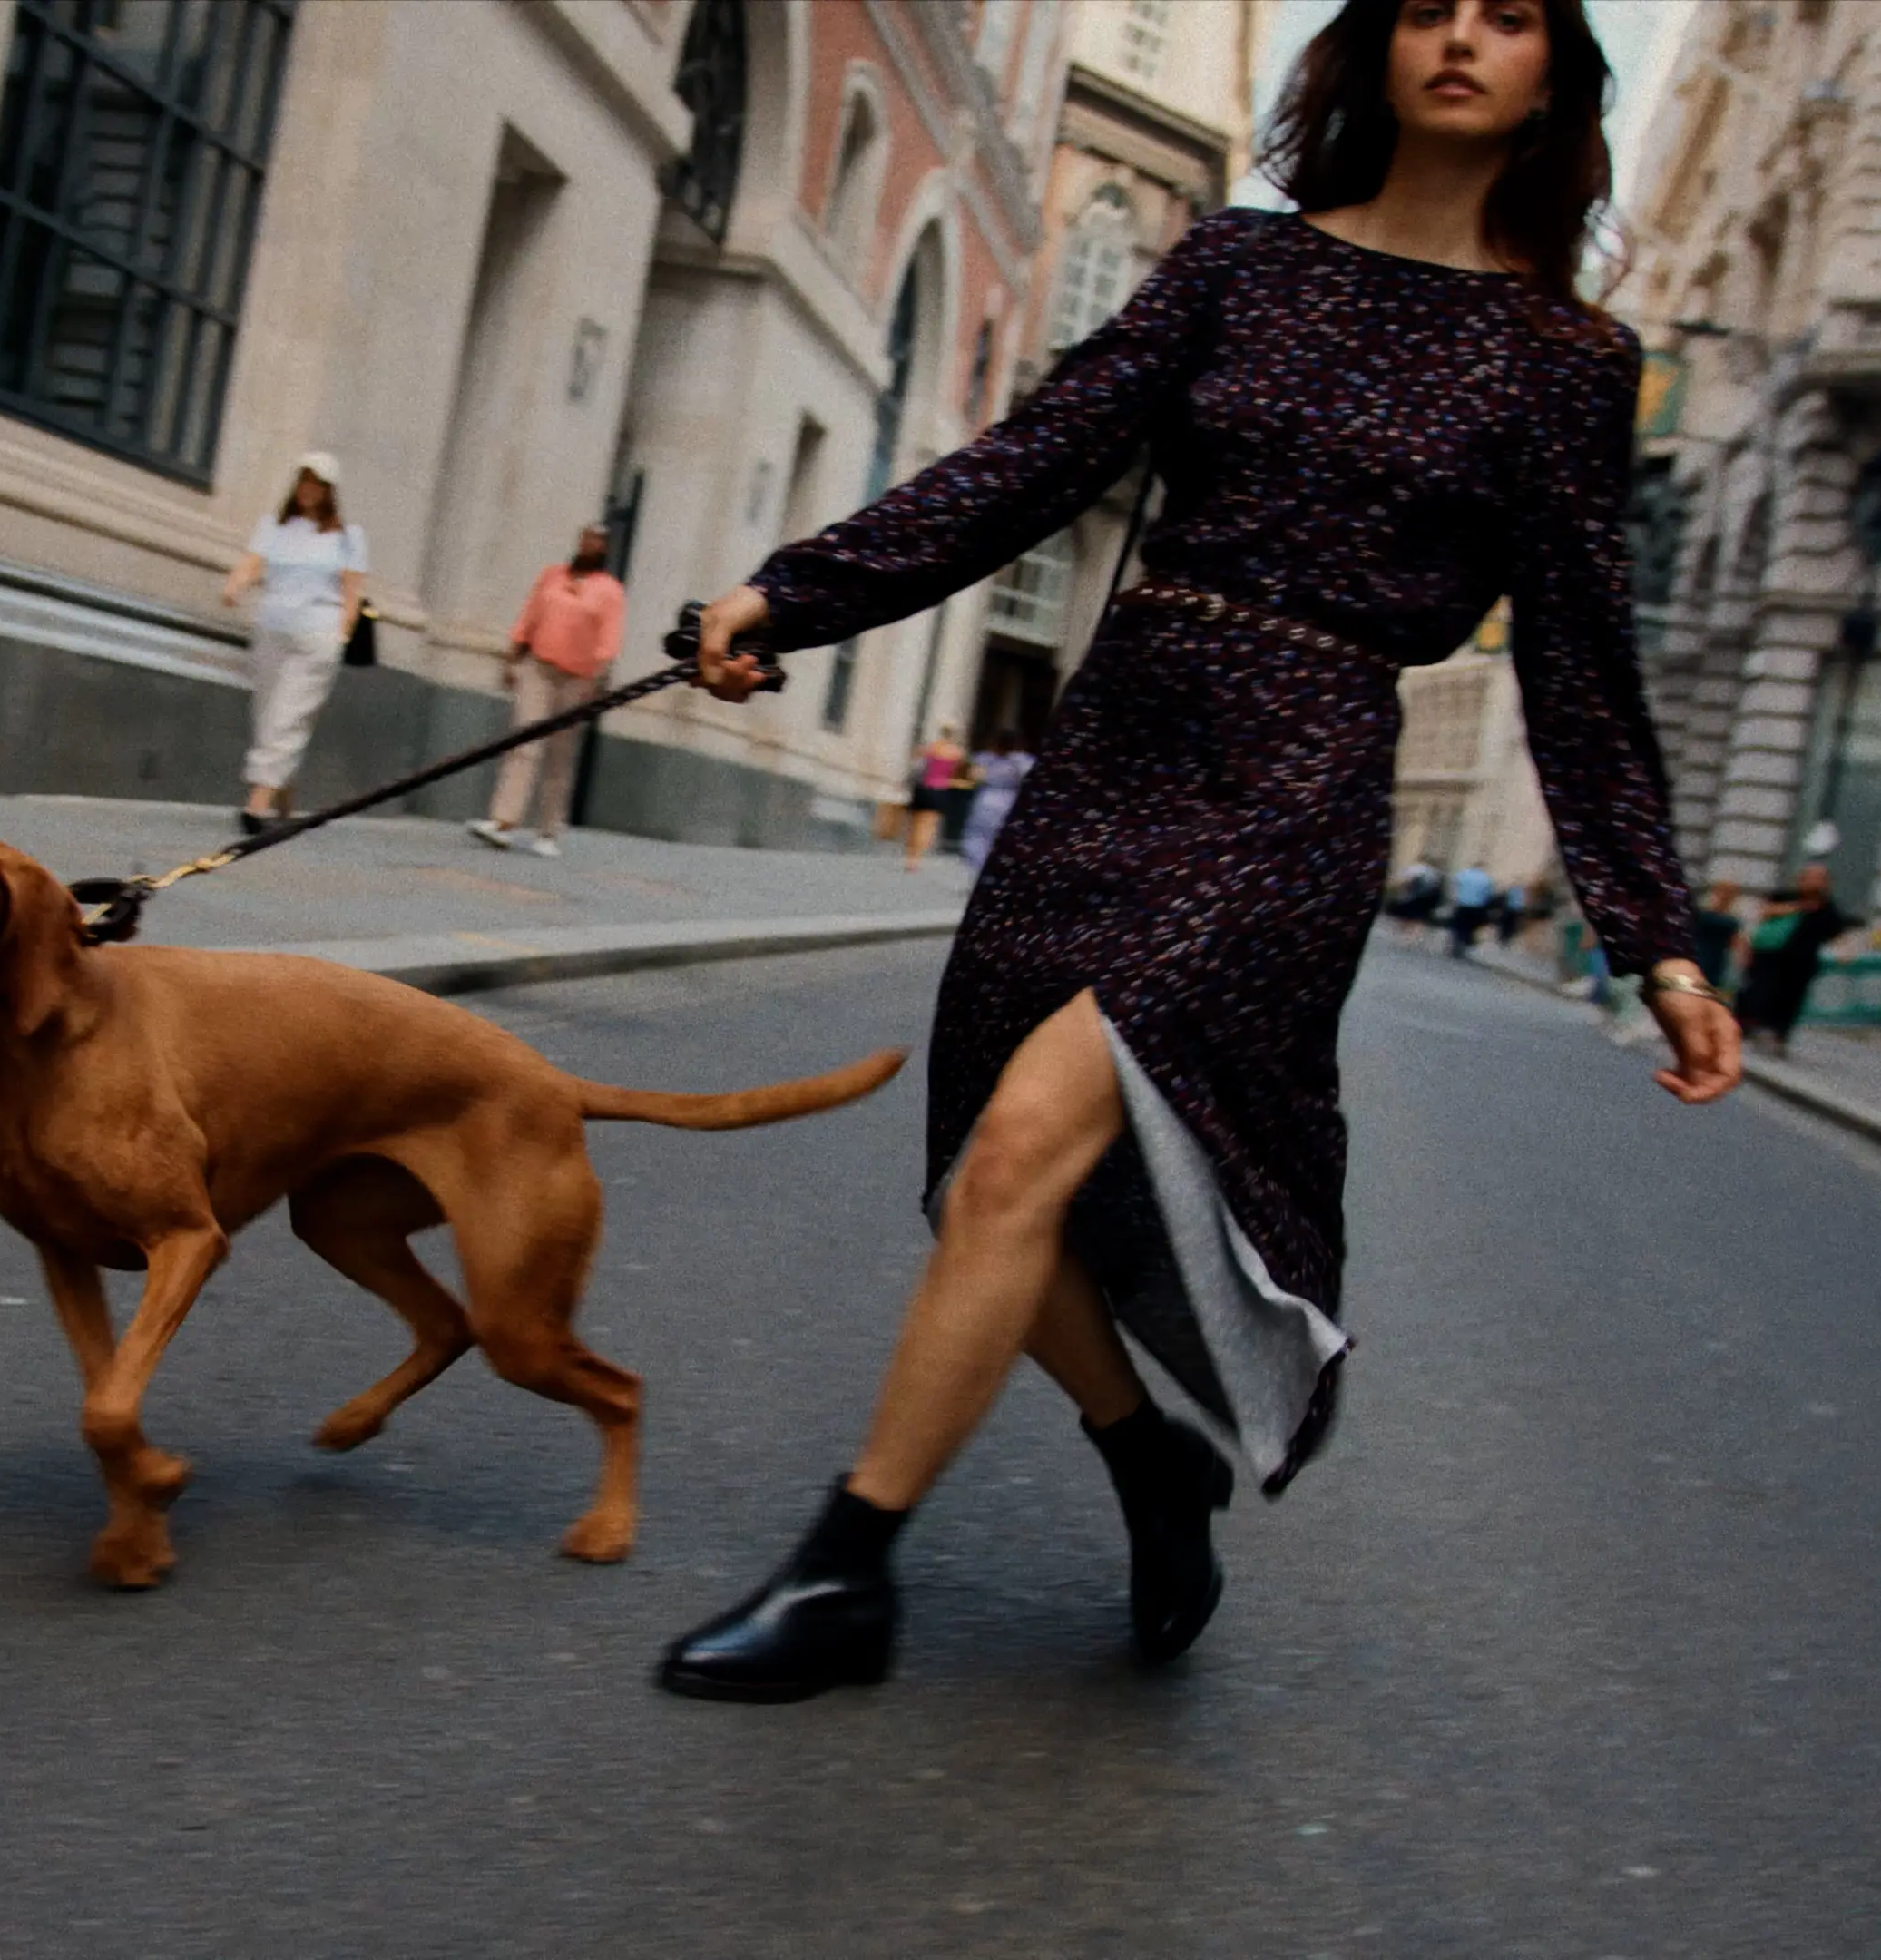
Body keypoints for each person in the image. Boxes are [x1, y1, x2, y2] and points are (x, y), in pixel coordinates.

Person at [651, 0, 1739, 1703]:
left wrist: (1656, 938)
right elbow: (1036, 460)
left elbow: (1581, 667)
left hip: (1297, 783)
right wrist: (793, 593)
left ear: (1554, 76)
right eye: (1430, 7)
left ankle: (846, 1575)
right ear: (1375, 45)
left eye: (1509, 15)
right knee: (992, 1189)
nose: (1462, 38)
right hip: (1119, 738)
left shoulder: (1565, 360)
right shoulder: (1240, 263)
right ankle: (1147, 1455)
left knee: (1023, 1149)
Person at [220, 454, 367, 837]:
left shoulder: (347, 538)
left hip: (316, 636)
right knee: (268, 714)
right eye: (304, 481)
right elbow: (254, 563)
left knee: (286, 716)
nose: (309, 490)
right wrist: (236, 584)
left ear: (329, 491)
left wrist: (342, 635)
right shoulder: (274, 526)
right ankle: (281, 793)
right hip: (272, 630)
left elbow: (352, 592)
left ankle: (257, 806)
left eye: (317, 484)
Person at [467, 524, 627, 859]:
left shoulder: (610, 591)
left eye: (597, 541)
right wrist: (512, 656)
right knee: (523, 742)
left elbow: (608, 640)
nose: (589, 545)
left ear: (605, 549)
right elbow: (529, 616)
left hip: (578, 680)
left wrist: (597, 682)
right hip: (539, 668)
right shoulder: (552, 576)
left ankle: (548, 830)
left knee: (560, 753)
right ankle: (504, 821)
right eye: (585, 538)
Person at [1734, 861, 1854, 1059]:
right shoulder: (1785, 896)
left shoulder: (1828, 907)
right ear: (1801, 879)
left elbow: (1837, 933)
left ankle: (1778, 1036)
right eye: (1811, 877)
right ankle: (1757, 1027)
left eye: (1820, 879)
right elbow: (1763, 912)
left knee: (1791, 1000)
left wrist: (1846, 952)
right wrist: (1799, 907)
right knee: (1761, 992)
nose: (1815, 882)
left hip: (1801, 963)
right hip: (1769, 958)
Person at [960, 731, 1034, 871]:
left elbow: (975, 777)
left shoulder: (985, 758)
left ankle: (980, 869)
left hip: (988, 799)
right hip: (1011, 799)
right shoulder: (1024, 760)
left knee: (978, 837)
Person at [902, 727, 972, 872]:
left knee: (915, 824)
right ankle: (916, 860)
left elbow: (915, 757)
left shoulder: (931, 748)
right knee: (928, 825)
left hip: (924, 787)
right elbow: (964, 772)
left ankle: (911, 856)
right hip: (940, 789)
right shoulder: (957, 753)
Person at [1690, 878, 1745, 994]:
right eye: (1723, 891)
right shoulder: (1702, 913)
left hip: (1717, 959)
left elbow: (1737, 944)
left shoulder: (1731, 919)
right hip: (1699, 955)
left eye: (1730, 892)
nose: (1726, 895)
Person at [1444, 859, 1495, 958]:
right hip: (1477, 906)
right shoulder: (1486, 879)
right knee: (1470, 926)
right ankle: (1464, 942)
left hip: (1462, 904)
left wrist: (1454, 898)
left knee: (1458, 924)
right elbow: (1489, 895)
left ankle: (1455, 942)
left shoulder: (1463, 874)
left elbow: (1454, 887)